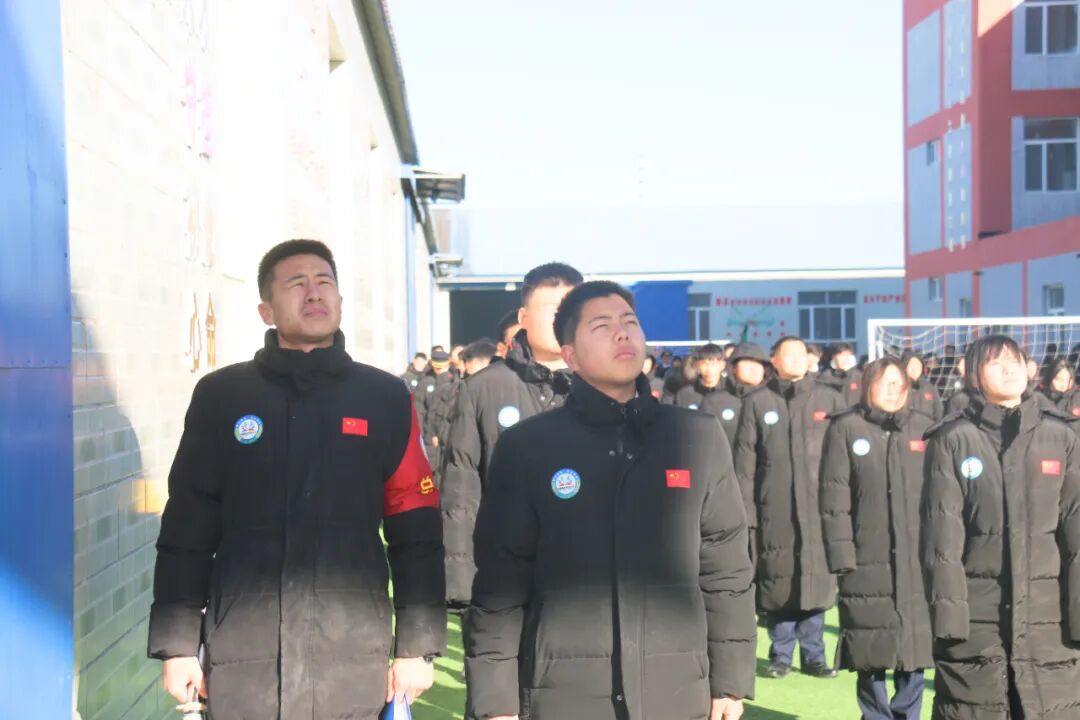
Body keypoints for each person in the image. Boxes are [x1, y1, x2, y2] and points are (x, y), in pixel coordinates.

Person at [148, 240, 445, 718]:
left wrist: (417, 646)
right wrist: (178, 644)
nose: (314, 293)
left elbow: (417, 530)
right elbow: (187, 526)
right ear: (266, 311)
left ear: (340, 301)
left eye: (324, 282)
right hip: (244, 648)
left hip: (352, 647)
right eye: (296, 283)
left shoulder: (384, 397)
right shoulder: (222, 396)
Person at [464, 281, 756, 720]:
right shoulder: (528, 446)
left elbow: (726, 566)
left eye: (630, 322)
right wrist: (496, 700)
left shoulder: (696, 436)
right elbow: (500, 582)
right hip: (565, 690)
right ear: (570, 355)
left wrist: (729, 682)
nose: (622, 333)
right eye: (601, 326)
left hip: (676, 688)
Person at [921, 335, 1080, 719]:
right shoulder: (953, 438)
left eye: (1015, 361)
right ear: (974, 375)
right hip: (979, 617)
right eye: (995, 362)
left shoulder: (1061, 436)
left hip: (1049, 617)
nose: (1009, 370)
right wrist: (949, 620)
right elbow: (941, 538)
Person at [441, 263, 583, 608]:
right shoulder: (483, 388)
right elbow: (462, 489)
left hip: (585, 583)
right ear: (524, 317)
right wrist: (460, 578)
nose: (562, 320)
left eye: (571, 310)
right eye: (553, 310)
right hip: (504, 580)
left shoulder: (606, 387)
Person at [819, 358, 933, 720]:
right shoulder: (846, 428)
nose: (893, 389)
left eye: (899, 383)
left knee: (914, 649)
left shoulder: (925, 428)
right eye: (884, 382)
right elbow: (833, 498)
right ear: (867, 386)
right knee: (869, 649)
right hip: (865, 557)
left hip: (917, 558)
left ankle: (907, 714)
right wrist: (842, 556)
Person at [734, 336, 843, 680]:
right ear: (774, 361)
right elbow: (744, 463)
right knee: (777, 580)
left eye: (801, 354)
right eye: (788, 355)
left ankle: (814, 655)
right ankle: (780, 655)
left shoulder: (830, 398)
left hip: (820, 506)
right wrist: (746, 512)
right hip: (774, 507)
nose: (795, 360)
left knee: (816, 580)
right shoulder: (757, 402)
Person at [674, 342, 769, 454]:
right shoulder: (685, 394)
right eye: (704, 364)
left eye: (713, 364)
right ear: (698, 365)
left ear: (722, 365)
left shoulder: (733, 393)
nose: (709, 369)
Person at [418, 350, 458, 477]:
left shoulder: (454, 381)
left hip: (443, 434)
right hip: (430, 435)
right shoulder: (425, 382)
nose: (438, 369)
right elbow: (419, 411)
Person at [902, 350, 943, 420]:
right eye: (911, 365)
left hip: (929, 426)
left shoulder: (929, 388)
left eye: (918, 365)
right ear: (905, 367)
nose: (915, 368)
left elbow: (938, 412)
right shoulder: (899, 388)